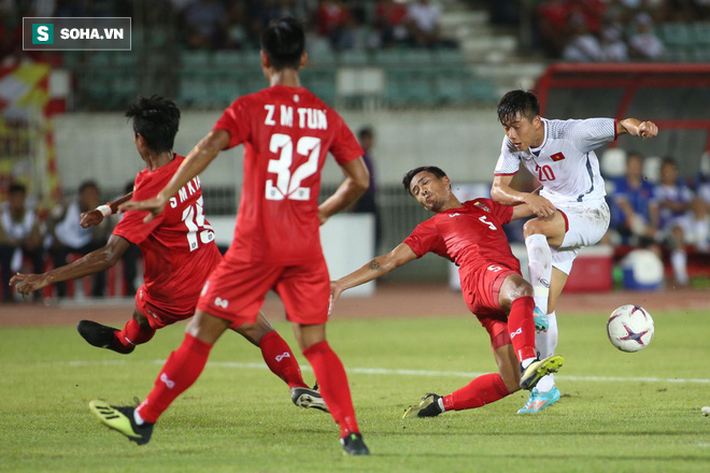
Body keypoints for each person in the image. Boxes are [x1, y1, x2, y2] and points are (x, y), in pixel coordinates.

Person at [88, 19, 371, 455]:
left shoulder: (251, 107)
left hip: (257, 246)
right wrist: (322, 212)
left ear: (263, 60)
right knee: (314, 343)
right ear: (304, 59)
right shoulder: (325, 114)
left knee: (202, 330)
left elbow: (206, 148)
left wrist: (163, 194)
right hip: (303, 245)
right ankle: (350, 434)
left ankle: (142, 419)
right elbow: (358, 180)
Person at [11, 95, 324, 413]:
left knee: (141, 314)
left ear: (140, 140)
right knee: (260, 329)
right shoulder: (186, 165)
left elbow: (108, 256)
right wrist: (107, 209)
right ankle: (297, 384)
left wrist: (45, 277)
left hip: (172, 290)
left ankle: (124, 342)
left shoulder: (151, 189)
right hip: (214, 272)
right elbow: (143, 191)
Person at [330, 166, 564, 419]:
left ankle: (438, 405)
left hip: (491, 293)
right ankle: (530, 362)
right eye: (417, 192)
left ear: (445, 180)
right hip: (482, 278)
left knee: (511, 380)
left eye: (424, 183)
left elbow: (534, 206)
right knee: (521, 290)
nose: (423, 193)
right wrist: (341, 284)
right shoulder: (433, 226)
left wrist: (556, 185)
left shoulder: (483, 207)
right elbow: (389, 260)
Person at [491, 89, 659, 413]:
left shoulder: (572, 133)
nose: (511, 135)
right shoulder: (513, 143)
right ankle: (545, 388)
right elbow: (498, 190)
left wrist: (640, 128)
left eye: (516, 127)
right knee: (544, 307)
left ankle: (535, 309)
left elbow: (622, 124)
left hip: (591, 215)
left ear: (537, 121)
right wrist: (529, 198)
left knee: (531, 230)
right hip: (557, 218)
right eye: (506, 128)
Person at [46, 180, 111, 298]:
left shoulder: (102, 211)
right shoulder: (67, 206)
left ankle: (98, 291)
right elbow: (50, 220)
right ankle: (61, 292)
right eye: (88, 194)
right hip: (65, 241)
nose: (91, 197)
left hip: (86, 242)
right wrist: (55, 238)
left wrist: (94, 211)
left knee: (101, 248)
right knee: (57, 252)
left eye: (94, 194)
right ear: (81, 195)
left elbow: (99, 236)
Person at [0, 183, 44, 303]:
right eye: (15, 198)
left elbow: (37, 235)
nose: (18, 201)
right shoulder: (3, 214)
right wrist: (17, 242)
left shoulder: (30, 214)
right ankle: (6, 293)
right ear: (9, 198)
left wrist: (31, 242)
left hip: (24, 245)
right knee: (5, 252)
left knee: (38, 252)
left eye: (21, 198)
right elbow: (2, 237)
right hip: (9, 247)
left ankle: (38, 291)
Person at [655, 157, 694, 285]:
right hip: (666, 228)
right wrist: (682, 205)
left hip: (688, 225)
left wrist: (682, 205)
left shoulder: (683, 189)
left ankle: (702, 234)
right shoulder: (657, 190)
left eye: (670, 171)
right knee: (678, 230)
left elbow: (694, 204)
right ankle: (681, 276)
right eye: (665, 171)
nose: (668, 174)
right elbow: (667, 204)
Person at [611, 151, 658, 247]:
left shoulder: (648, 186)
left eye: (638, 165)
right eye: (632, 165)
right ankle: (654, 235)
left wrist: (654, 226)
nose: (635, 168)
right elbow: (624, 206)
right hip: (624, 224)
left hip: (644, 225)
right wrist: (637, 222)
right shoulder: (620, 183)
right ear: (627, 167)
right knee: (633, 223)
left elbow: (654, 208)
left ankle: (650, 235)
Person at [350, 127, 381, 251]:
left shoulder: (366, 156)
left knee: (373, 231)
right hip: (363, 198)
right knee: (371, 231)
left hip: (368, 197)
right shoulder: (360, 157)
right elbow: (353, 179)